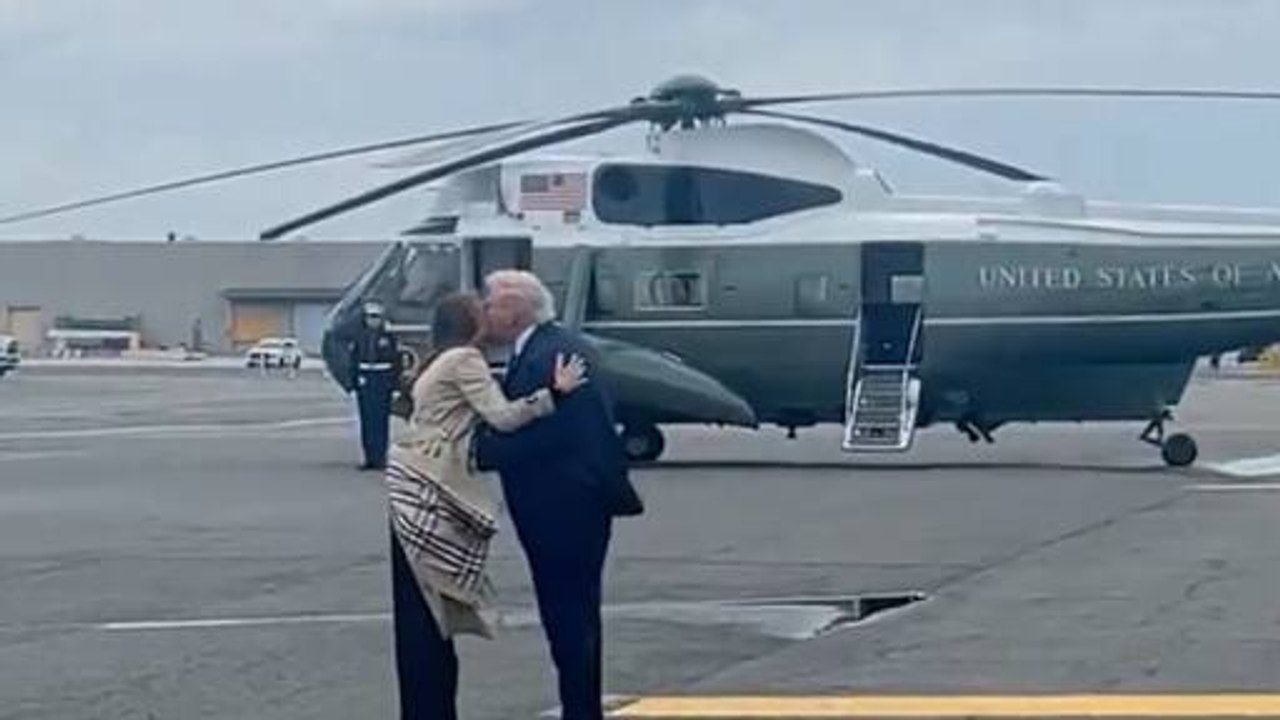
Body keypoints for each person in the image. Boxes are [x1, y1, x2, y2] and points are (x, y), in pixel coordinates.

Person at [387, 292, 587, 720]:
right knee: (437, 603)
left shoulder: (436, 359)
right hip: (434, 484)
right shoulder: (464, 360)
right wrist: (554, 394)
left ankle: (423, 708)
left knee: (417, 609)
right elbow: (502, 417)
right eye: (484, 310)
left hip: (407, 479)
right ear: (471, 324)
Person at [474, 270, 639, 720]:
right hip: (562, 503)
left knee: (569, 611)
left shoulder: (556, 352)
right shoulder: (546, 348)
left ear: (516, 308)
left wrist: (482, 450)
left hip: (564, 504)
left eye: (489, 303)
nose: (484, 312)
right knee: (569, 611)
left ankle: (581, 709)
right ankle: (579, 706)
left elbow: (558, 432)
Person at [349, 302, 402, 470]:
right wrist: (353, 383)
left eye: (376, 317)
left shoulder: (389, 338)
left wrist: (394, 386)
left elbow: (396, 362)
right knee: (366, 421)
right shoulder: (359, 337)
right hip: (366, 379)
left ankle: (380, 457)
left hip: (382, 379)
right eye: (370, 317)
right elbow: (353, 362)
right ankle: (369, 457)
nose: (373, 321)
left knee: (380, 421)